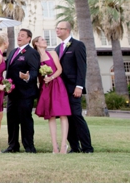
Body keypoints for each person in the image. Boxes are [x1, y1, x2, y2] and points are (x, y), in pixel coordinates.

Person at [55, 20, 94, 153]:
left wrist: (79, 86)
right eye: (57, 28)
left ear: (67, 30)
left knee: (76, 116)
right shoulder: (57, 49)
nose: (57, 30)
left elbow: (81, 68)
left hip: (73, 88)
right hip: (61, 89)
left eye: (60, 28)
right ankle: (74, 147)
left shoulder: (78, 45)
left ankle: (87, 147)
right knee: (66, 116)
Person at [3, 27, 39, 153]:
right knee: (11, 120)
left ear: (29, 38)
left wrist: (27, 77)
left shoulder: (32, 53)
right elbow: (6, 66)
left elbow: (35, 70)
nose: (19, 37)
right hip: (12, 93)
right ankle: (13, 146)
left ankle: (29, 146)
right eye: (19, 35)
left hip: (25, 93)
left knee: (25, 120)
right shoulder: (13, 52)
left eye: (22, 35)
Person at [33, 35, 71, 153]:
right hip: (45, 87)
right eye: (42, 40)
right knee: (51, 116)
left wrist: (51, 77)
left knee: (63, 114)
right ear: (37, 44)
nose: (45, 41)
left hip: (57, 85)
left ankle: (64, 144)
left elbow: (59, 69)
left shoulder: (53, 53)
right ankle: (55, 146)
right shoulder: (36, 58)